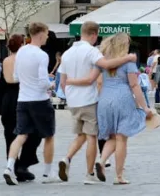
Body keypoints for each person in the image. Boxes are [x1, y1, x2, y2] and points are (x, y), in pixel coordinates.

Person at [65, 32, 154, 185]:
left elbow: (95, 81)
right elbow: (134, 85)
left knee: (112, 137)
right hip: (123, 99)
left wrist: (70, 81)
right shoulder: (128, 62)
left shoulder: (102, 61)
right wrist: (145, 107)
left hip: (105, 100)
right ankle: (119, 176)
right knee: (121, 139)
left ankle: (101, 160)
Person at [57, 21, 137, 184]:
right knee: (92, 137)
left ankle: (67, 158)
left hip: (73, 102)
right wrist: (128, 57)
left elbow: (62, 82)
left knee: (81, 135)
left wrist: (70, 92)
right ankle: (89, 174)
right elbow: (105, 66)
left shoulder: (66, 53)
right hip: (89, 99)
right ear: (93, 34)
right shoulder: (91, 51)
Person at [2, 23, 57, 185]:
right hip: (39, 100)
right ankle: (48, 173)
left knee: (21, 135)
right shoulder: (42, 55)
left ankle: (9, 167)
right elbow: (43, 82)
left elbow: (16, 76)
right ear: (40, 34)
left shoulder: (21, 52)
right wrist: (52, 84)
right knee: (49, 136)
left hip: (23, 99)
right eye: (46, 33)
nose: (47, 37)